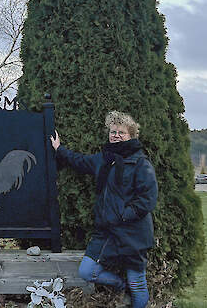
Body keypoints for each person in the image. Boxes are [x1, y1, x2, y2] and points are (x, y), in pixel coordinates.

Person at [49, 111, 158, 308]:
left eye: (121, 132)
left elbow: (147, 199)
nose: (116, 135)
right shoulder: (104, 159)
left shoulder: (141, 163)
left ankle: (132, 292)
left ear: (131, 136)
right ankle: (121, 286)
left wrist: (123, 215)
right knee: (87, 271)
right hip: (106, 232)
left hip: (133, 234)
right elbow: (80, 161)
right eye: (113, 131)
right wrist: (59, 149)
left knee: (138, 284)